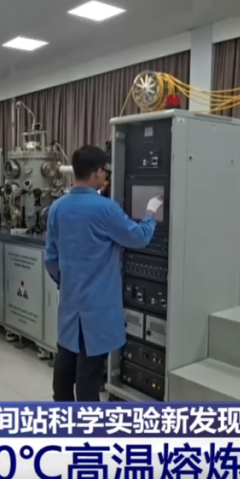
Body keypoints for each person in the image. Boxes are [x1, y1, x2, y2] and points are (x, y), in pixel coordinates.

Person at [45, 145, 163, 402]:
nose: (106, 177)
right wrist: (150, 213)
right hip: (97, 307)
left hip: (70, 302)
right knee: (89, 372)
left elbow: (50, 259)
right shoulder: (104, 209)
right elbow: (138, 238)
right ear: (97, 172)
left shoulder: (57, 207)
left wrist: (66, 283)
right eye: (106, 172)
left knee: (65, 361)